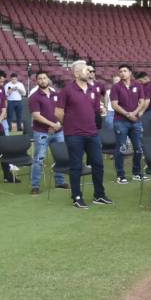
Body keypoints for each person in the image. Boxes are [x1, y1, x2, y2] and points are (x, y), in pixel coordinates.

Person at [55, 60, 111, 208]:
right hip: (74, 135)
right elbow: (58, 113)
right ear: (77, 73)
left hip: (92, 133)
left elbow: (95, 111)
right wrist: (71, 124)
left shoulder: (94, 90)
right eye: (86, 70)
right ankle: (77, 196)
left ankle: (99, 194)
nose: (90, 72)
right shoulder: (67, 90)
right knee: (76, 166)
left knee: (98, 164)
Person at [28, 71, 69, 195]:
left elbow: (63, 111)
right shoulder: (34, 97)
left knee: (60, 157)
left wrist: (59, 125)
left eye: (44, 78)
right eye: (39, 78)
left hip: (58, 131)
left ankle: (60, 182)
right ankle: (35, 185)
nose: (42, 80)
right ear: (36, 81)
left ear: (48, 79)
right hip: (42, 133)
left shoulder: (56, 94)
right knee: (39, 159)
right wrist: (52, 125)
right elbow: (36, 116)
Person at [111, 64, 149, 184]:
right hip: (120, 121)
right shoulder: (116, 87)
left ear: (130, 72)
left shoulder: (137, 85)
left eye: (125, 71)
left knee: (138, 149)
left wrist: (135, 113)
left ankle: (137, 173)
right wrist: (128, 114)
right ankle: (120, 175)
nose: (122, 73)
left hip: (135, 121)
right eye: (120, 71)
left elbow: (142, 101)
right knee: (121, 148)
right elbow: (114, 105)